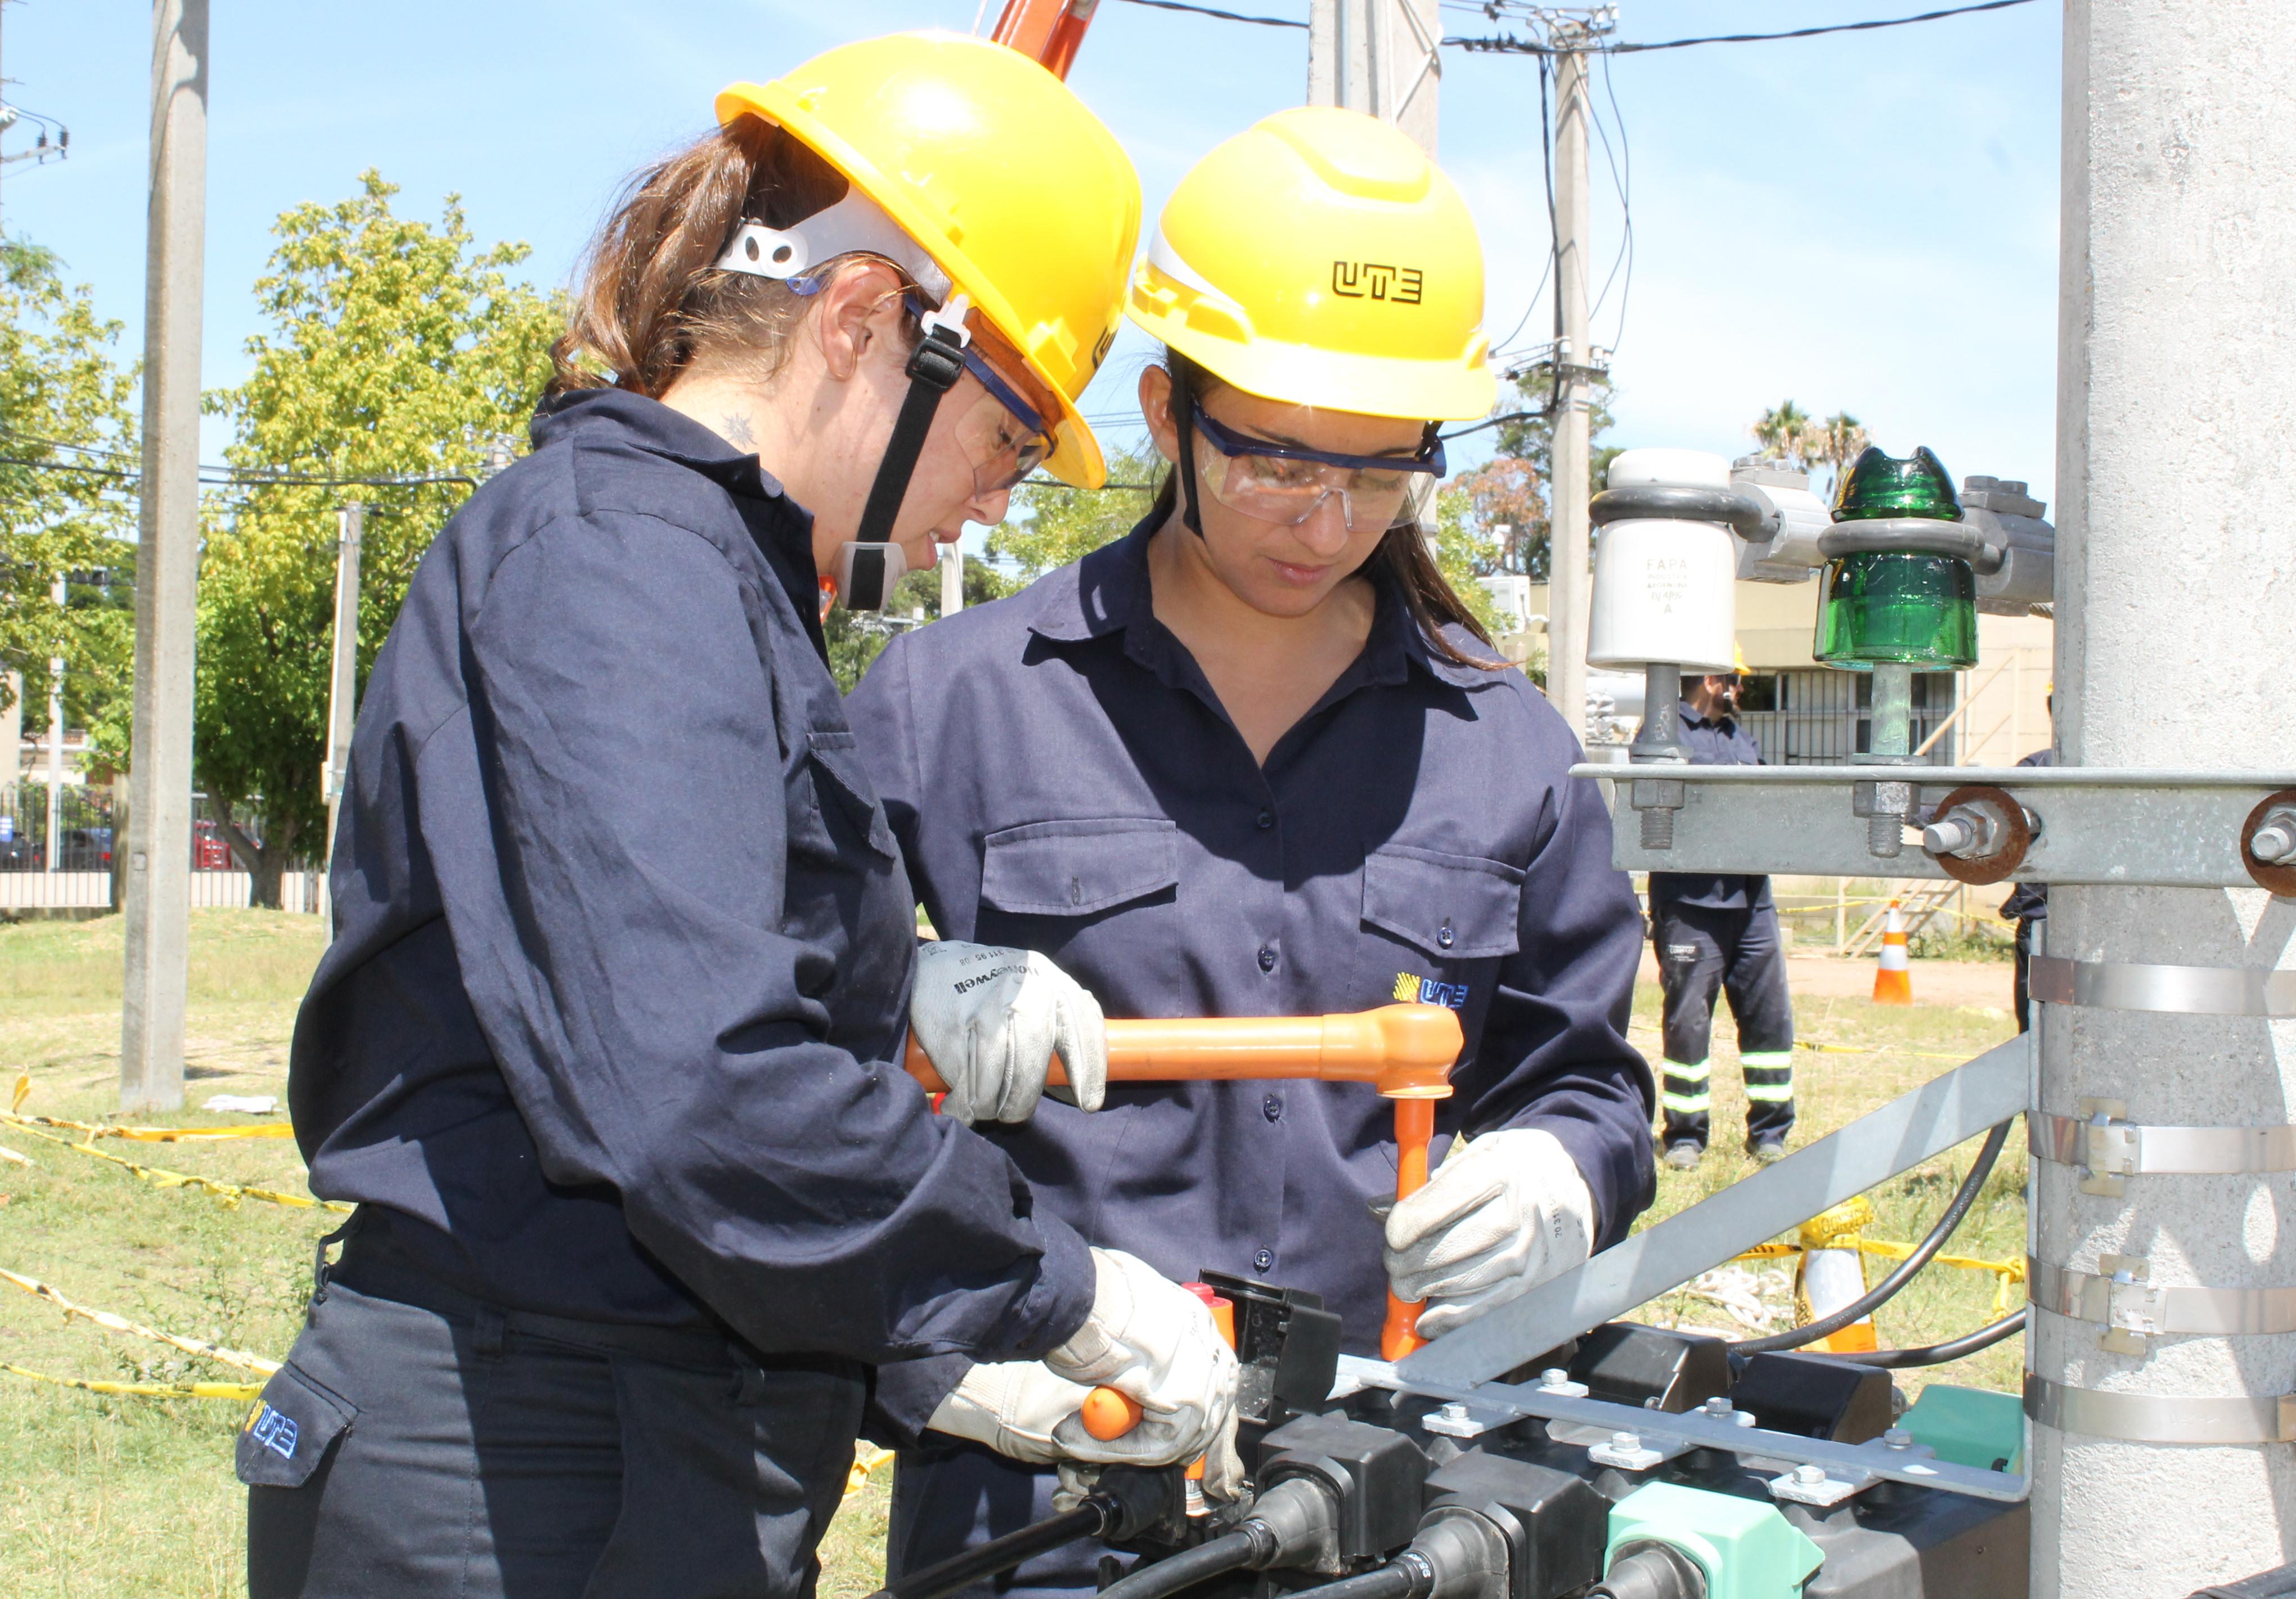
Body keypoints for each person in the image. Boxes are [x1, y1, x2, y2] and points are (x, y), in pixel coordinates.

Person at [246, 36, 1243, 1599]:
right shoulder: (616, 568)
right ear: (861, 324)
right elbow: (697, 1094)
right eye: (1007, 437)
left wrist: (916, 1335)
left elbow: (644, 983)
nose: (1001, 499)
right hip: (521, 1457)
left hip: (634, 1422)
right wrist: (1051, 1293)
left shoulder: (705, 573)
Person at [847, 107, 1654, 1597]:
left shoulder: (1503, 748)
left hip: (1383, 1507)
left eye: (1380, 468)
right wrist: (921, 1346)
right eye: (1278, 459)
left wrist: (1560, 1174)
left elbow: (1589, 1082)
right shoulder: (947, 708)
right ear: (1168, 414)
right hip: (1038, 1488)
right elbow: (774, 1059)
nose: (1328, 518)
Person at [1647, 654, 1797, 1169]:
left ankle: (1770, 1131)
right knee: (1689, 1021)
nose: (1740, 691)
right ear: (1713, 680)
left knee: (1769, 1019)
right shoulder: (1664, 730)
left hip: (1752, 899)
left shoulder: (1739, 737)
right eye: (1735, 681)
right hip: (1691, 905)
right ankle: (1685, 1135)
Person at [2001, 720, 2056, 1031]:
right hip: (2040, 930)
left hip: (2041, 926)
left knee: (2036, 1041)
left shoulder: (2040, 766)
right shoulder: (2039, 766)